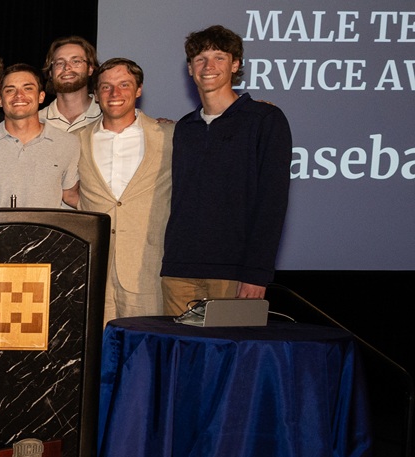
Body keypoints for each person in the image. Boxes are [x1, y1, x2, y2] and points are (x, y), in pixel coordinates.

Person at [160, 25, 292, 316]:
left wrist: (257, 273)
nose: (209, 66)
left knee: (231, 357)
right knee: (180, 357)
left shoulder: (265, 120)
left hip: (234, 273)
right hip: (178, 270)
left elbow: (272, 202)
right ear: (190, 68)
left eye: (219, 57)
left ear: (235, 65)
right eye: (200, 59)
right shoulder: (184, 128)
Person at [76, 58, 174, 322]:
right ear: (95, 94)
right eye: (106, 87)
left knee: (146, 352)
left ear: (139, 90)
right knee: (98, 353)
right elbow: (67, 189)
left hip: (149, 268)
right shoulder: (76, 140)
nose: (115, 94)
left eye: (124, 85)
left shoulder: (169, 136)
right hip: (95, 269)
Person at [0, 63, 80, 210]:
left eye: (27, 88)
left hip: (46, 233)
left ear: (41, 96)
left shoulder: (67, 143)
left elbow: (70, 195)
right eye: (10, 90)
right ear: (0, 100)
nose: (19, 95)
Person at [40, 35, 102, 134]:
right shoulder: (38, 122)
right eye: (59, 63)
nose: (67, 67)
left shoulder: (106, 116)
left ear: (90, 69)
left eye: (76, 61)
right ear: (51, 72)